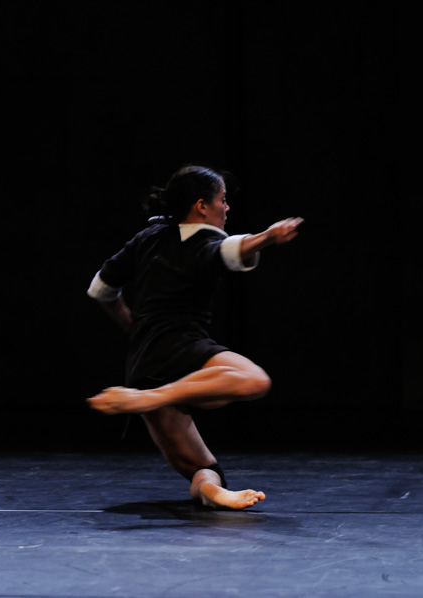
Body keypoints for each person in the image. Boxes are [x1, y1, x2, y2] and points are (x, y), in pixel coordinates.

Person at [86, 165, 303, 510]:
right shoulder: (203, 241)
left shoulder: (147, 237)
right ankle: (151, 398)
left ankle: (209, 488)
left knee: (203, 470)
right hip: (182, 348)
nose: (227, 207)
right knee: (255, 380)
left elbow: (101, 289)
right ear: (201, 206)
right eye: (222, 199)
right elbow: (230, 250)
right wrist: (268, 237)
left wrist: (131, 325)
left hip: (144, 364)